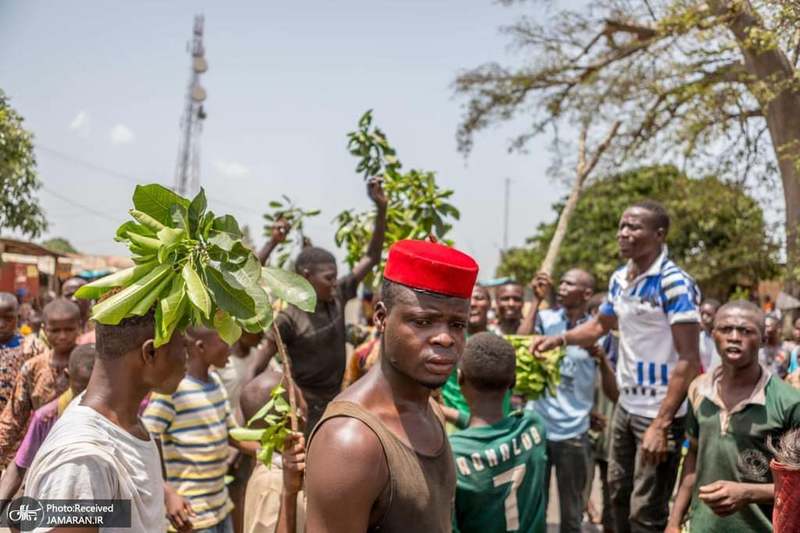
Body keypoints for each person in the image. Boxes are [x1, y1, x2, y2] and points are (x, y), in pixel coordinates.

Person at [532, 200, 701, 533]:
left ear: (659, 234)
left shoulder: (673, 283)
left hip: (658, 411)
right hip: (626, 406)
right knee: (616, 497)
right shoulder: (620, 279)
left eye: (634, 227)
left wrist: (662, 423)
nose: (623, 233)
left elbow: (690, 359)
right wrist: (559, 339)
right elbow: (599, 326)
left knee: (646, 510)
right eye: (622, 226)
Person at [301, 239, 478, 532]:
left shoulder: (430, 408)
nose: (445, 339)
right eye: (423, 322)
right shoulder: (350, 442)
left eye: (457, 325)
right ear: (381, 318)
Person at [23, 310, 187, 532]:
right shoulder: (85, 460)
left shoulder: (126, 421)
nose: (187, 359)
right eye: (183, 348)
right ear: (150, 352)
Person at [246, 178, 387, 434]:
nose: (335, 283)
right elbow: (257, 367)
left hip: (337, 402)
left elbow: (372, 257)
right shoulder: (288, 319)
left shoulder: (339, 296)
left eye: (336, 276)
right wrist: (252, 420)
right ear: (306, 276)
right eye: (328, 278)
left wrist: (381, 208)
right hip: (303, 411)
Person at [666, 301, 800, 532]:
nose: (734, 337)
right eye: (726, 329)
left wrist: (748, 493)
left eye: (746, 331)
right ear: (712, 334)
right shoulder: (699, 389)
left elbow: (795, 487)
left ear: (763, 340)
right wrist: (674, 521)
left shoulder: (789, 403)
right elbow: (693, 459)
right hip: (702, 527)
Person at [143, 326, 259, 533]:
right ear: (201, 347)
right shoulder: (173, 390)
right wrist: (167, 491)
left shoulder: (215, 383)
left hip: (220, 507)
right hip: (190, 514)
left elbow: (230, 434)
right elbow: (147, 435)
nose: (230, 347)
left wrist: (269, 451)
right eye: (224, 340)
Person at [527, 269, 618, 533]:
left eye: (570, 283)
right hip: (539, 428)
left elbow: (614, 394)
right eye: (562, 281)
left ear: (586, 293)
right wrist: (535, 301)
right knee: (534, 509)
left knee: (571, 514)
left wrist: (601, 359)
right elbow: (521, 341)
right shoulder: (545, 319)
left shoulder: (600, 334)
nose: (562, 286)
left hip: (575, 433)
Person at [450, 332, 548, 533]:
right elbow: (490, 428)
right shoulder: (532, 426)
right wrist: (446, 412)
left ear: (460, 378)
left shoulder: (452, 454)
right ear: (513, 381)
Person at [0, 343, 96, 506]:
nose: (85, 397)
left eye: (94, 390)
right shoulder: (46, 418)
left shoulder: (118, 416)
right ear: (68, 377)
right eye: (81, 389)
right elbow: (20, 466)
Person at [0, 298, 81, 468]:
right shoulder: (33, 367)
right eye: (55, 330)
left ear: (79, 327)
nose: (63, 336)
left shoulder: (90, 363)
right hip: (41, 457)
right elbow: (13, 419)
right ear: (44, 330)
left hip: (82, 453)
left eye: (69, 329)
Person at [240, 370, 307, 533]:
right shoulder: (273, 483)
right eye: (301, 398)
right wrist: (288, 494)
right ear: (294, 420)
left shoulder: (279, 470)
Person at [441, 284, 494, 424]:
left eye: (479, 298)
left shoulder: (497, 344)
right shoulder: (447, 341)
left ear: (490, 304)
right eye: (467, 298)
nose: (473, 303)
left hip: (490, 427)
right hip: (452, 424)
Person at [0, 292, 43, 414]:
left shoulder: (33, 347)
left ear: (17, 317)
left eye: (8, 318)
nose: (1, 325)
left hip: (22, 420)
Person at [759, 313, 790, 378]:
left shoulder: (788, 348)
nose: (765, 330)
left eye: (767, 326)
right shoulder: (759, 349)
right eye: (763, 327)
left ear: (777, 328)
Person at [699, 299, 721, 371]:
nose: (704, 317)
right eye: (702, 314)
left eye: (708, 314)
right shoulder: (698, 338)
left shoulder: (724, 339)